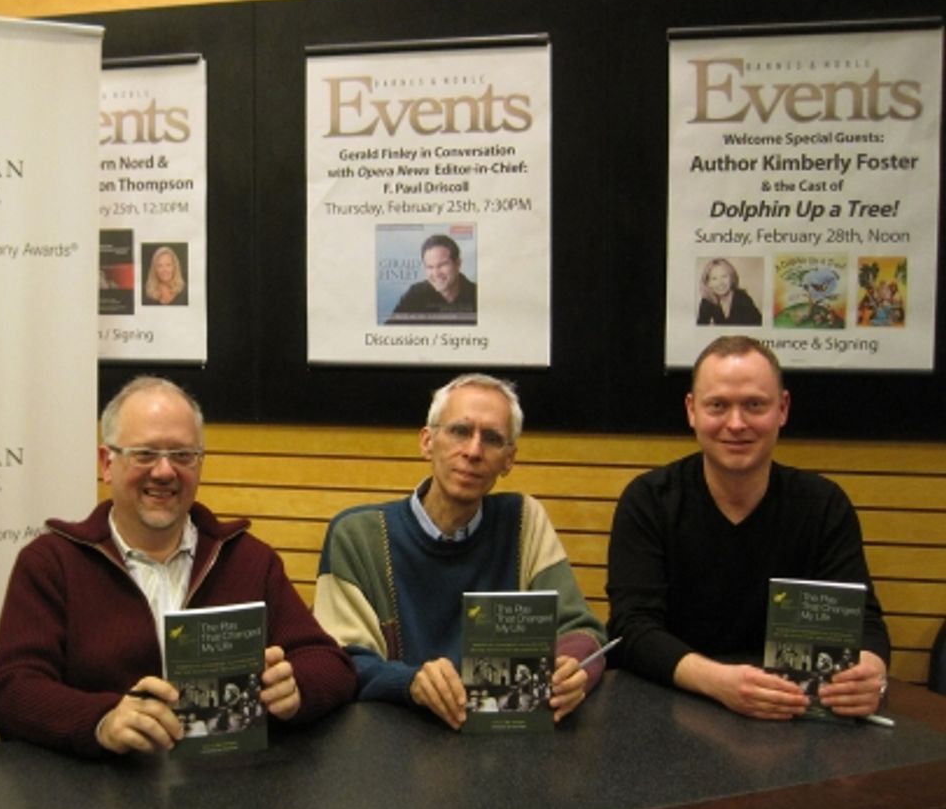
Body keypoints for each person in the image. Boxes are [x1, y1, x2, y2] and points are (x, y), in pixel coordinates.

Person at [0, 376, 356, 757]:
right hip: (97, 796)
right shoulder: (53, 563)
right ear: (106, 463)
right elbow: (11, 690)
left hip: (227, 795)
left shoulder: (247, 559)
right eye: (145, 454)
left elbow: (330, 664)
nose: (164, 471)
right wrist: (101, 720)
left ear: (200, 464)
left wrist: (296, 689)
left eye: (182, 455)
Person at [606, 335, 891, 720]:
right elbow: (631, 630)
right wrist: (719, 682)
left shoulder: (824, 505)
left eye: (754, 405)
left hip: (794, 716)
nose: (736, 424)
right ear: (692, 410)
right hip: (671, 711)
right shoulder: (648, 501)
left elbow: (864, 624)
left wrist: (871, 673)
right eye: (718, 406)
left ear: (783, 409)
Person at [312, 373, 608, 730]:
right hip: (393, 743)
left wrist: (571, 668)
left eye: (493, 439)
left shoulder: (523, 521)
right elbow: (338, 661)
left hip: (504, 746)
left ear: (509, 460)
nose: (473, 451)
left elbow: (582, 629)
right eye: (459, 431)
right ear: (427, 441)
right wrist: (410, 683)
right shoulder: (358, 536)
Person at [387, 234, 477, 324]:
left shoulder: (477, 294)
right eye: (430, 267)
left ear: (458, 264)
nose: (436, 273)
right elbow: (389, 331)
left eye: (442, 265)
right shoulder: (415, 295)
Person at [696, 258, 761, 326]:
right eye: (714, 278)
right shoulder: (707, 302)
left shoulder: (742, 298)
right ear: (708, 283)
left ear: (731, 278)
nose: (720, 283)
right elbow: (699, 329)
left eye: (724, 276)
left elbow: (758, 326)